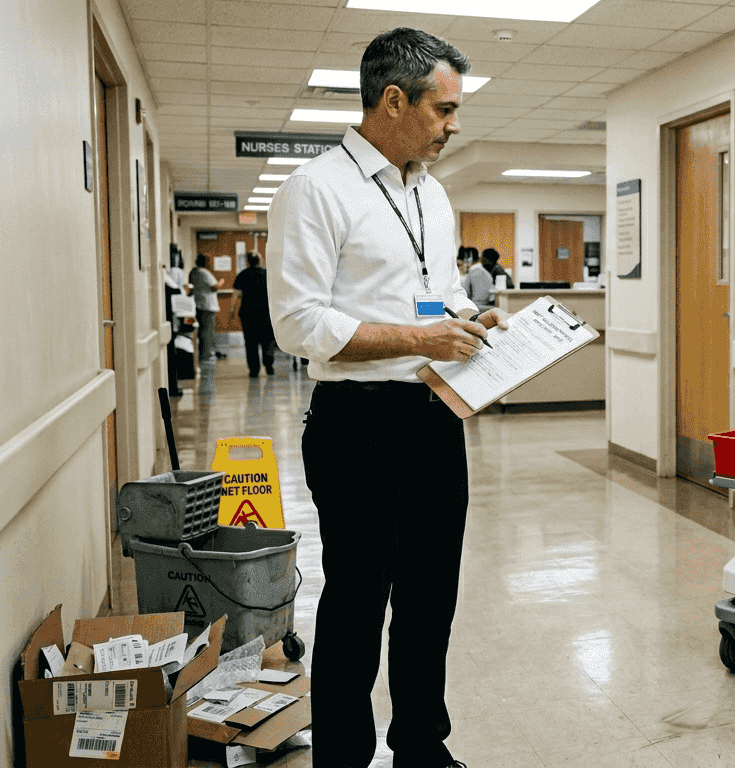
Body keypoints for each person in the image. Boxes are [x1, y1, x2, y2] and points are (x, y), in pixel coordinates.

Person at [266, 27, 503, 768]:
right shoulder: (316, 189)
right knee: (358, 601)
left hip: (433, 417)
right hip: (356, 424)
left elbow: (430, 296)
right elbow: (298, 323)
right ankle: (342, 755)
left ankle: (421, 747)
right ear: (393, 100)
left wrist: (465, 317)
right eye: (443, 109)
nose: (453, 125)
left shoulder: (433, 194)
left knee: (431, 596)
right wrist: (418, 338)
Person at [231, 253, 276, 377]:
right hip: (266, 313)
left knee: (250, 342)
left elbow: (236, 295)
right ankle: (269, 365)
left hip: (248, 313)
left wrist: (232, 311)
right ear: (260, 261)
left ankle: (254, 369)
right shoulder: (267, 274)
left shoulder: (243, 274)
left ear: (247, 261)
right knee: (268, 340)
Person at [185, 254, 224, 361]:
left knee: (202, 330)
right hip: (207, 306)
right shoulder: (203, 272)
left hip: (198, 304)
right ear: (205, 262)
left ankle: (205, 353)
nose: (210, 263)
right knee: (207, 331)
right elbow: (214, 287)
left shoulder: (193, 272)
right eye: (209, 261)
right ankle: (207, 354)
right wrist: (221, 281)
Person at [460, 245, 494, 313]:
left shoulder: (473, 272)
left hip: (476, 307)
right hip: (486, 306)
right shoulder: (485, 272)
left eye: (466, 257)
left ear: (471, 257)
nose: (464, 260)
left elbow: (465, 294)